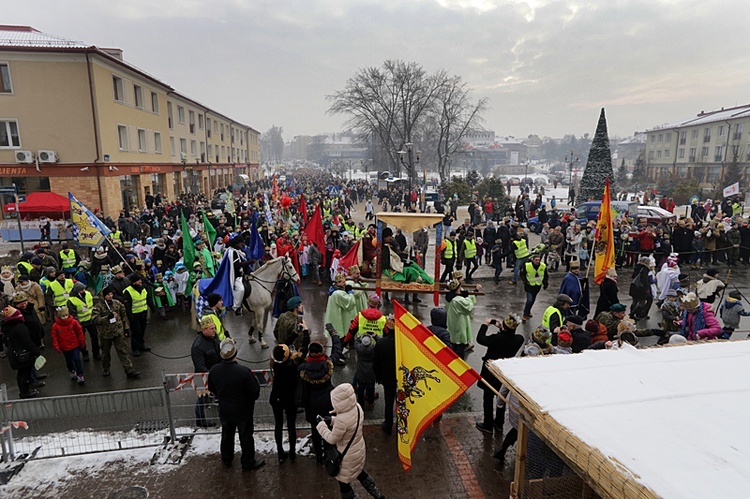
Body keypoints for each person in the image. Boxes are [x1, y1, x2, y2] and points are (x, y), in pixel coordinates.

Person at [316, 383, 385, 499]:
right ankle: (377, 495)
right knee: (359, 472)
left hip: (346, 457)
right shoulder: (357, 407)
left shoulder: (342, 420)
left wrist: (322, 426)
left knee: (344, 484)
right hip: (358, 450)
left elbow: (332, 439)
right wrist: (332, 420)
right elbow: (349, 423)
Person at [208, 338, 265, 471]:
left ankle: (227, 459)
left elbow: (212, 388)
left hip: (225, 409)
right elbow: (254, 391)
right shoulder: (244, 372)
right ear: (235, 354)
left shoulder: (215, 370)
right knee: (245, 436)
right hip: (243, 410)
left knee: (227, 434)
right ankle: (248, 461)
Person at [475, 315, 523, 434]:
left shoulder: (496, 338)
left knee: (488, 397)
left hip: (490, 371)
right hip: (504, 372)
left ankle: (488, 424)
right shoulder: (518, 339)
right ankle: (499, 423)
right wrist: (503, 329)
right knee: (501, 398)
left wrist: (485, 324)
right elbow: (508, 337)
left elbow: (480, 339)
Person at [298, 336, 343, 464]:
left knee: (316, 430)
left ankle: (319, 456)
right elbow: (337, 350)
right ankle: (331, 453)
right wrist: (334, 334)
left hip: (312, 405)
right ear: (322, 352)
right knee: (329, 428)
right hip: (328, 402)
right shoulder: (328, 365)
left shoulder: (303, 369)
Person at [91, 286, 140, 379]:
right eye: (108, 294)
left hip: (118, 332)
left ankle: (129, 370)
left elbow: (123, 315)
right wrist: (107, 318)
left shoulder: (117, 303)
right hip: (105, 334)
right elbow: (95, 320)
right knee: (105, 353)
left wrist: (126, 328)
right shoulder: (98, 307)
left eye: (111, 294)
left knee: (123, 351)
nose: (110, 296)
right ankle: (106, 368)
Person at [269, 344, 302, 463]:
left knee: (278, 425)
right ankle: (292, 452)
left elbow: (279, 348)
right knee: (291, 426)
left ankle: (280, 453)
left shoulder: (275, 364)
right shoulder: (292, 367)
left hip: (276, 397)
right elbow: (302, 351)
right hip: (290, 399)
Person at [2, 306, 41, 398]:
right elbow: (27, 341)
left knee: (20, 374)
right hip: (23, 354)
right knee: (25, 374)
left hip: (14, 354)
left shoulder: (6, 328)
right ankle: (25, 392)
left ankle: (23, 391)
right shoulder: (20, 327)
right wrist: (36, 351)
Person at [192, 315, 222, 428]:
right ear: (204, 330)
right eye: (212, 329)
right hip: (204, 377)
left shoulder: (213, 337)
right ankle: (200, 420)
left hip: (216, 373)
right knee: (202, 398)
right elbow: (200, 366)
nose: (215, 330)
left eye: (214, 327)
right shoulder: (198, 346)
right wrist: (213, 376)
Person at [373, 314, 396, 435]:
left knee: (388, 402)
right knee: (402, 403)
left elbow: (376, 362)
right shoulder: (404, 344)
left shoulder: (381, 343)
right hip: (401, 379)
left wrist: (378, 377)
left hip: (387, 378)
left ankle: (388, 425)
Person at [51, 305, 86, 384]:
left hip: (75, 345)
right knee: (69, 360)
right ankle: (72, 371)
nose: (65, 317)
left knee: (77, 359)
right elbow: (54, 337)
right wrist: (56, 346)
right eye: (63, 316)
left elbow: (79, 332)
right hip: (64, 347)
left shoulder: (73, 322)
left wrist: (82, 341)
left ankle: (80, 374)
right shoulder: (55, 326)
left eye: (66, 315)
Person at [445, 280, 479, 359]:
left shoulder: (449, 297)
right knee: (460, 343)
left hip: (452, 322)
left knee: (453, 342)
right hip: (459, 323)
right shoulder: (458, 300)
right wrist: (467, 297)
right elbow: (468, 307)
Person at [67, 282, 100, 361]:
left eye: (84, 289)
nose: (84, 290)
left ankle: (96, 353)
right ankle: (85, 353)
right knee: (81, 339)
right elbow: (73, 314)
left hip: (90, 319)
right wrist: (77, 323)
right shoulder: (71, 300)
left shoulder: (88, 294)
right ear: (77, 291)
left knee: (95, 336)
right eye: (81, 290)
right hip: (80, 322)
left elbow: (91, 305)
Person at [122, 273, 149, 356]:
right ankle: (135, 348)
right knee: (136, 332)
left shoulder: (142, 288)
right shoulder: (128, 291)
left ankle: (141, 345)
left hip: (143, 313)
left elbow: (147, 298)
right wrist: (130, 318)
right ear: (133, 282)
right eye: (138, 280)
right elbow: (128, 306)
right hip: (135, 315)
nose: (140, 281)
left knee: (142, 331)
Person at [520, 253, 548, 322]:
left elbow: (545, 275)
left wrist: (545, 283)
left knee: (532, 300)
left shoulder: (543, 266)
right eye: (536, 260)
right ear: (533, 260)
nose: (537, 261)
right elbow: (522, 274)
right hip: (529, 285)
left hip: (537, 286)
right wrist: (525, 281)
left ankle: (528, 310)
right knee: (529, 300)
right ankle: (525, 314)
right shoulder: (527, 265)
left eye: (539, 260)